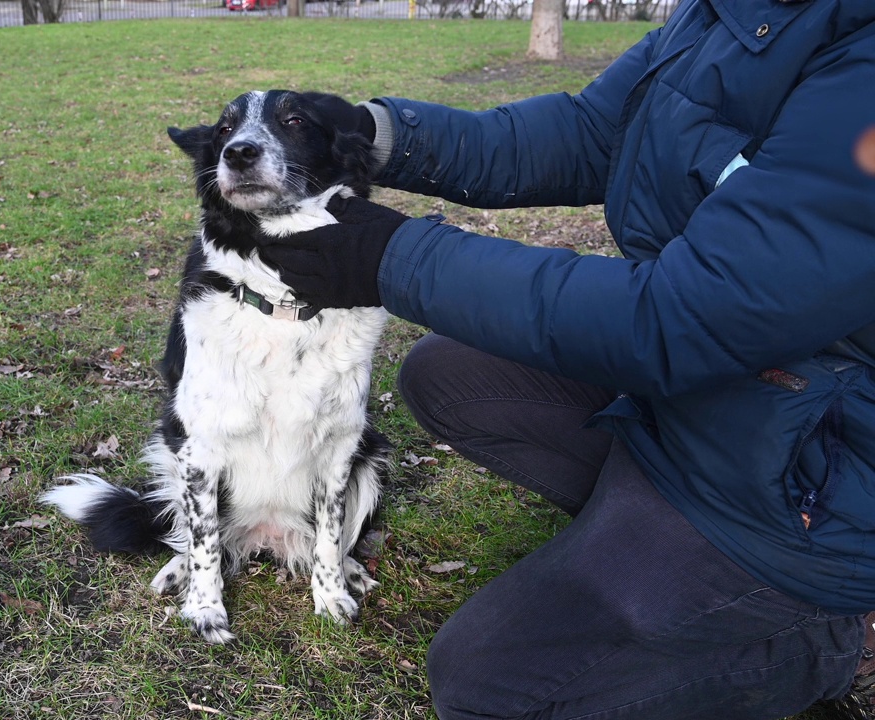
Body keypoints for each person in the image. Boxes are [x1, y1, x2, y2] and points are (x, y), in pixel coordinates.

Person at [256, 2, 875, 719]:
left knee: (489, 685)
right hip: (714, 399)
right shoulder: (732, 12)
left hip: (814, 479)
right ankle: (637, 531)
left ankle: (827, 638)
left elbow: (694, 314)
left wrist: (390, 256)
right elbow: (591, 132)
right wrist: (371, 135)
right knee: (448, 375)